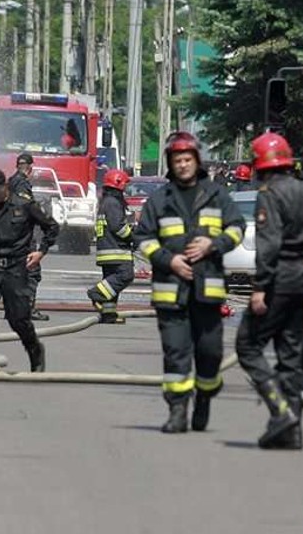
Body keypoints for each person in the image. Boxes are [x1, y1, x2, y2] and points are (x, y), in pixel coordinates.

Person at [235, 131, 303, 449]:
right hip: (301, 278)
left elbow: (268, 246)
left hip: (278, 279)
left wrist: (259, 288)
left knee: (248, 346)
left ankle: (280, 412)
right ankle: (292, 432)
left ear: (260, 166)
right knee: (290, 355)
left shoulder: (268, 194)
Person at [133, 131, 246, 433]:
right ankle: (177, 410)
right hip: (171, 292)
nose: (182, 165)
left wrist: (213, 245)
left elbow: (237, 227)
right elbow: (142, 238)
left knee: (210, 353)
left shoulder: (217, 195)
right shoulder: (160, 199)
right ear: (171, 163)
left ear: (197, 161)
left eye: (187, 159)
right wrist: (168, 260)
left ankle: (206, 395)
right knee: (176, 351)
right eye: (177, 160)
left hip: (208, 291)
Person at [0, 168, 61, 383]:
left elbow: (51, 227)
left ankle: (34, 349)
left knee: (18, 319)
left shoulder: (24, 205)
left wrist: (41, 251)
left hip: (16, 268)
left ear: (5, 186)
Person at [87, 168, 135, 324]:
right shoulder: (113, 203)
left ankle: (108, 314)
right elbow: (118, 227)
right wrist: (133, 235)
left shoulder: (106, 202)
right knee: (125, 275)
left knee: (110, 283)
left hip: (107, 250)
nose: (126, 190)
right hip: (116, 250)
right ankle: (96, 294)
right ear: (118, 184)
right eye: (124, 186)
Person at [9, 153, 49, 322]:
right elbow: (24, 208)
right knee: (32, 271)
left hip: (9, 233)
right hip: (23, 235)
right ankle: (27, 309)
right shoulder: (22, 184)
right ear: (30, 168)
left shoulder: (10, 181)